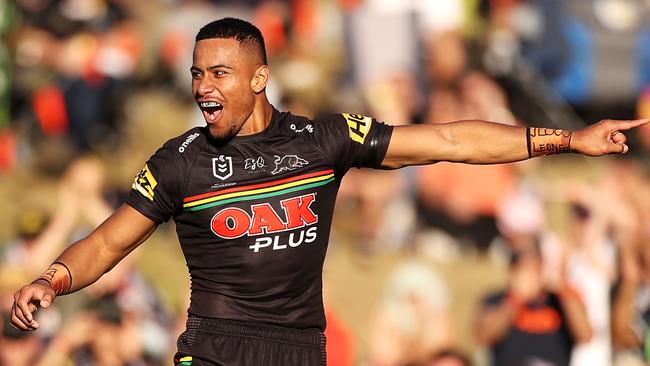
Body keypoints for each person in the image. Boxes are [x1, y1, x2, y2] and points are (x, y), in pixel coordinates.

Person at [10, 17, 648, 365]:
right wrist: (55, 278)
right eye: (198, 73)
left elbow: (452, 140)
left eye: (221, 73)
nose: (204, 86)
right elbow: (109, 241)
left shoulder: (324, 138)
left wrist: (569, 139)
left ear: (261, 77)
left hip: (300, 350)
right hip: (212, 348)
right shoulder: (179, 163)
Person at [475, 245, 592, 366]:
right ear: (513, 274)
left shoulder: (560, 301)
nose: (534, 276)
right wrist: (516, 299)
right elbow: (484, 338)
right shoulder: (498, 300)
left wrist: (563, 287)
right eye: (527, 270)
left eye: (538, 269)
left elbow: (585, 336)